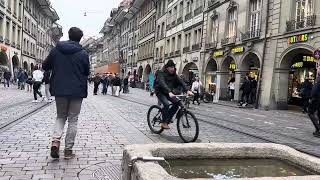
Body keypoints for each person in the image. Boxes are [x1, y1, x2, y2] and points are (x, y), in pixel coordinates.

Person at [42, 27, 90, 159]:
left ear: (69, 36)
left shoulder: (56, 49)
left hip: (60, 89)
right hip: (77, 90)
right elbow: (86, 72)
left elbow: (45, 66)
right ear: (80, 38)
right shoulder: (83, 53)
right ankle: (68, 151)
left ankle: (55, 142)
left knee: (61, 116)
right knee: (73, 119)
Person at [155, 60, 193, 129]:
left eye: (173, 67)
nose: (172, 68)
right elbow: (162, 83)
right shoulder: (161, 73)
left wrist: (187, 90)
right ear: (167, 68)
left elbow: (181, 82)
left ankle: (168, 118)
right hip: (160, 91)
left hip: (169, 92)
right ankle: (164, 122)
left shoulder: (174, 75)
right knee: (166, 104)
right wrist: (169, 91)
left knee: (177, 103)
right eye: (171, 67)